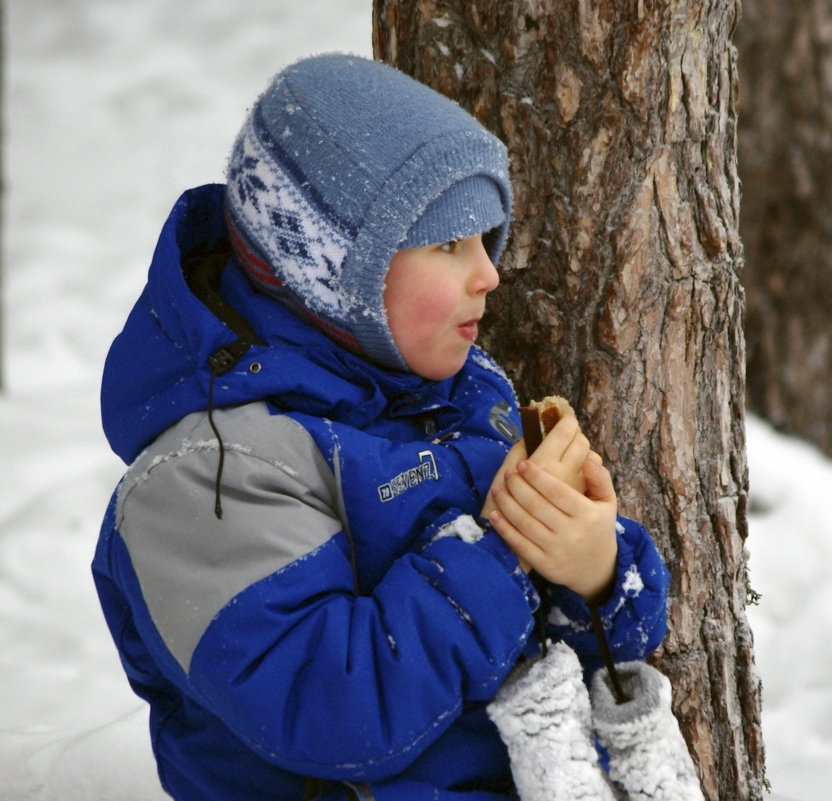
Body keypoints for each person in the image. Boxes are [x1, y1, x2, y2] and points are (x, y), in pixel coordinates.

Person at [92, 53, 669, 801]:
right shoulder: (213, 473)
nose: (489, 272)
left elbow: (585, 646)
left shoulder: (464, 392)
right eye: (446, 244)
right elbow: (334, 709)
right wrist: (506, 556)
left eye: (482, 236)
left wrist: (593, 566)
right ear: (333, 276)